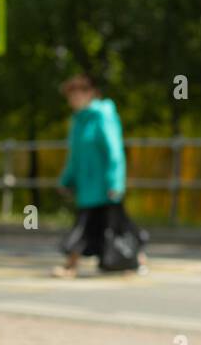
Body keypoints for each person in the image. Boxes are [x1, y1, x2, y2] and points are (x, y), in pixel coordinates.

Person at [53, 73, 149, 278]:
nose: (73, 100)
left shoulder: (103, 116)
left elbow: (114, 151)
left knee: (111, 226)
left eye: (76, 95)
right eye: (70, 96)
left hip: (105, 187)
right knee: (103, 226)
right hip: (87, 188)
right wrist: (66, 179)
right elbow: (75, 156)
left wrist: (115, 182)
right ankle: (135, 260)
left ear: (90, 94)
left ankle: (72, 266)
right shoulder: (77, 121)